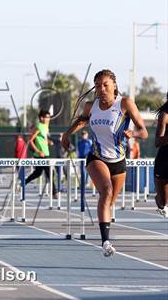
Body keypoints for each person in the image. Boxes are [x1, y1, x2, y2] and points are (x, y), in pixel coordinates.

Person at [62, 69, 147, 257]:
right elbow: (82, 122)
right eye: (98, 85)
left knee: (109, 202)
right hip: (96, 157)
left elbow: (144, 131)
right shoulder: (90, 106)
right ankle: (105, 242)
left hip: (118, 161)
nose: (101, 89)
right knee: (106, 191)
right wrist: (67, 133)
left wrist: (133, 134)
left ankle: (104, 223)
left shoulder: (125, 104)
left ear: (114, 85)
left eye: (105, 85)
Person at [24, 110, 57, 198]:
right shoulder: (38, 126)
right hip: (40, 155)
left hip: (46, 153)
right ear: (42, 118)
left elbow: (43, 138)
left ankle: (23, 183)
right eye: (47, 117)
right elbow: (30, 140)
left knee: (38, 173)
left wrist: (48, 141)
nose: (48, 119)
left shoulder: (46, 127)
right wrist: (38, 151)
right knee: (50, 172)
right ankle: (54, 192)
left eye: (49, 117)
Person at [154, 92, 168, 218]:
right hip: (164, 162)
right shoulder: (165, 115)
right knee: (163, 201)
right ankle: (159, 201)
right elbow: (157, 142)